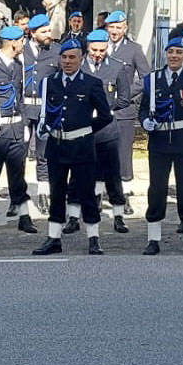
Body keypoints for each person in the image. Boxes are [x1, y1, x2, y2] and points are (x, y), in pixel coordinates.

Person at [32, 39, 114, 256]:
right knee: (57, 193)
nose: (67, 62)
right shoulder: (50, 82)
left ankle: (93, 239)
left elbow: (105, 116)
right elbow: (46, 112)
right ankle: (54, 238)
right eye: (64, 57)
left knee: (86, 193)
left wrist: (86, 129)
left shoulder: (91, 83)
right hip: (57, 146)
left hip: (81, 147)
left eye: (72, 57)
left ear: (81, 59)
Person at [139, 37, 183, 255]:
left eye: (179, 52)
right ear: (165, 54)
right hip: (159, 143)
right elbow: (143, 109)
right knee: (157, 190)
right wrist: (145, 121)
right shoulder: (153, 80)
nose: (174, 56)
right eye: (171, 52)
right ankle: (153, 239)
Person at [63, 29, 132, 233]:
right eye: (94, 50)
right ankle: (73, 217)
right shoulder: (78, 67)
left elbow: (124, 98)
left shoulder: (117, 67)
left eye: (102, 50)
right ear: (87, 49)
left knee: (112, 175)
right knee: (76, 175)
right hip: (81, 128)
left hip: (106, 129)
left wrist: (105, 110)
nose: (98, 54)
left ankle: (118, 217)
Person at [0, 26, 38, 235]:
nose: (23, 44)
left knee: (18, 175)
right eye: (21, 41)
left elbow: (20, 97)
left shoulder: (18, 65)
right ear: (13, 43)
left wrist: (24, 125)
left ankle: (24, 216)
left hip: (16, 128)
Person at [104, 10, 149, 198]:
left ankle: (125, 189)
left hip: (123, 109)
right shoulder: (99, 46)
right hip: (101, 108)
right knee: (100, 149)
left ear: (125, 28)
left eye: (118, 27)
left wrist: (126, 93)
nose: (114, 31)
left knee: (123, 150)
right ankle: (101, 188)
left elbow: (146, 78)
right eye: (111, 27)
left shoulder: (134, 49)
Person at [22, 14, 60, 214]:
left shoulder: (56, 51)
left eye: (49, 30)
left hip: (46, 110)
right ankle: (17, 194)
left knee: (43, 154)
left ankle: (44, 193)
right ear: (32, 32)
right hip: (24, 108)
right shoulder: (21, 50)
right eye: (43, 31)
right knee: (18, 154)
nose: (48, 34)